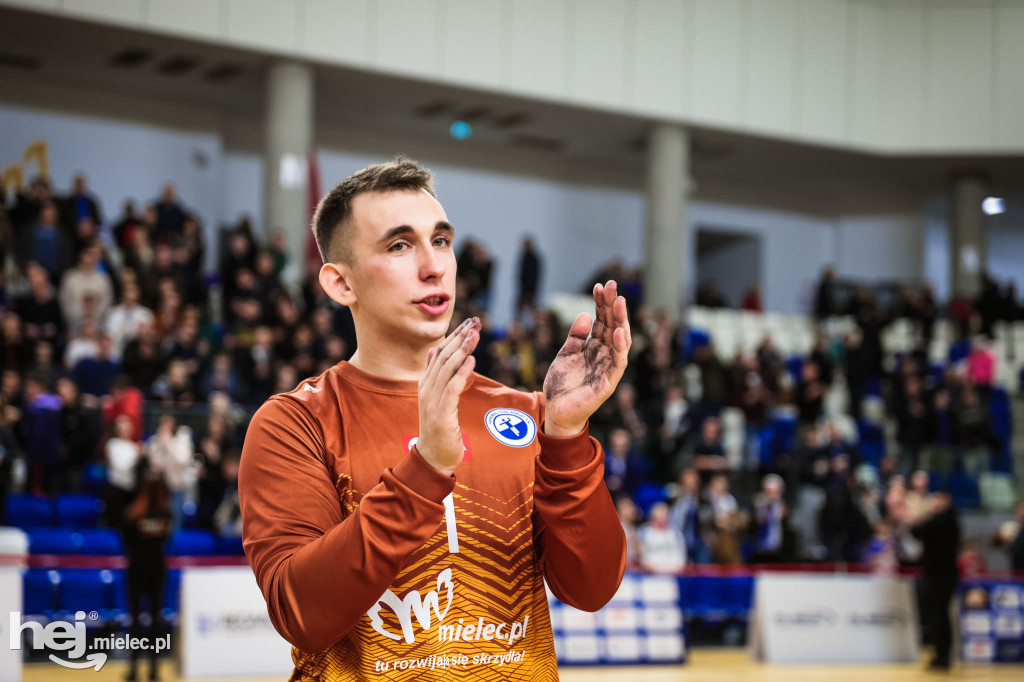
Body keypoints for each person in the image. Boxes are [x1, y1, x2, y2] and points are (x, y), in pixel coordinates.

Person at [239, 158, 629, 680]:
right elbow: (301, 613)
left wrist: (565, 435)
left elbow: (592, 589)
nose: (433, 265)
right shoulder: (294, 423)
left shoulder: (520, 412)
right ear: (340, 283)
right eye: (400, 245)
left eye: (441, 240)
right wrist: (425, 469)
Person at [122, 470, 171, 681]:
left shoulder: (133, 513)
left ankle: (136, 668)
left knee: (138, 621)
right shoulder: (165, 513)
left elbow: (126, 541)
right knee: (154, 620)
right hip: (154, 568)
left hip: (138, 568)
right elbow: (166, 538)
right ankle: (153, 668)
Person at [911, 492, 961, 671]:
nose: (933, 503)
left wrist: (921, 514)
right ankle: (943, 655)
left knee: (937, 614)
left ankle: (943, 655)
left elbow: (917, 530)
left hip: (940, 576)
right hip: (941, 574)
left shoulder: (943, 521)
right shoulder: (948, 520)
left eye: (937, 500)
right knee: (940, 615)